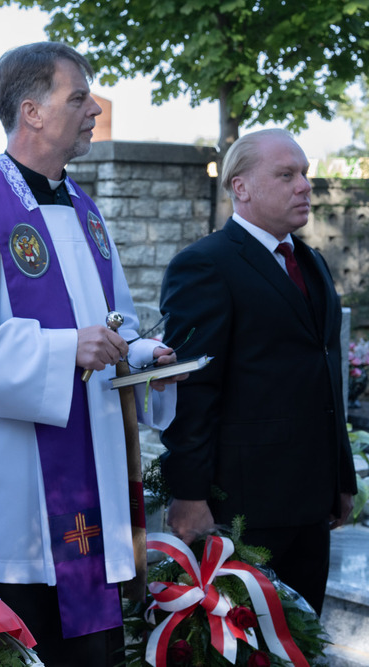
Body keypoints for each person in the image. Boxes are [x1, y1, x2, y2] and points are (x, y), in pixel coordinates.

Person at [0, 42, 182, 666]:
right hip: (13, 507)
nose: (93, 109)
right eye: (78, 96)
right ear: (31, 112)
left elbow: (116, 322)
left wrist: (142, 353)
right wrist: (67, 349)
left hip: (90, 492)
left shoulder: (86, 211)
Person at [159, 128, 357, 614]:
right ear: (240, 187)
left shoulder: (310, 262)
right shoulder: (204, 265)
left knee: (303, 641)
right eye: (286, 175)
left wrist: (341, 479)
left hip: (312, 504)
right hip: (244, 510)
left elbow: (326, 377)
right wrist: (188, 495)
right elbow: (192, 390)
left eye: (305, 174)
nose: (304, 185)